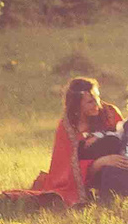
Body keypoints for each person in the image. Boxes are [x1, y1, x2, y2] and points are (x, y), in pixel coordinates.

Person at [27, 75, 120, 206]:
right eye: (90, 102)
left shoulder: (110, 113)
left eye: (98, 98)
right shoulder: (67, 126)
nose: (97, 105)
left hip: (115, 167)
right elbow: (65, 166)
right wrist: (99, 163)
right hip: (86, 173)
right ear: (77, 105)